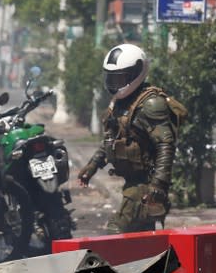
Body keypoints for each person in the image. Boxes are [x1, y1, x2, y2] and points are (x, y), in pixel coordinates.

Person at [77, 43, 182, 233]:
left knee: (116, 230)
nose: (114, 84)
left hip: (144, 185)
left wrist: (158, 185)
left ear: (136, 73)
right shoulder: (120, 102)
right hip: (131, 182)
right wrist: (92, 166)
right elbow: (111, 139)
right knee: (141, 238)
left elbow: (166, 144)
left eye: (121, 78)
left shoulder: (151, 104)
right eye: (112, 78)